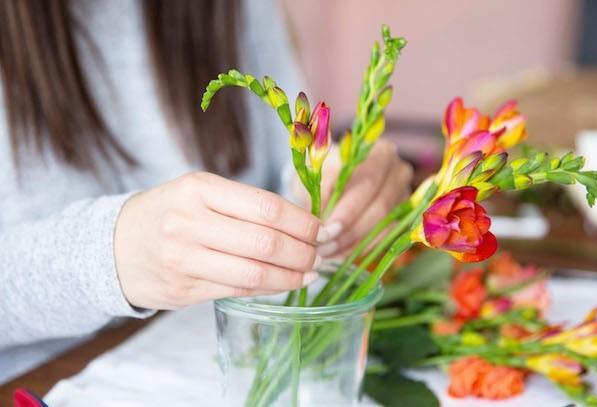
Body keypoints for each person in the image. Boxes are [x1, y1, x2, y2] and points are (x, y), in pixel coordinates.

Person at [0, 0, 412, 383]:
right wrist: (109, 255)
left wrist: (327, 183)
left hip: (228, 362)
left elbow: (285, 157)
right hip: (49, 380)